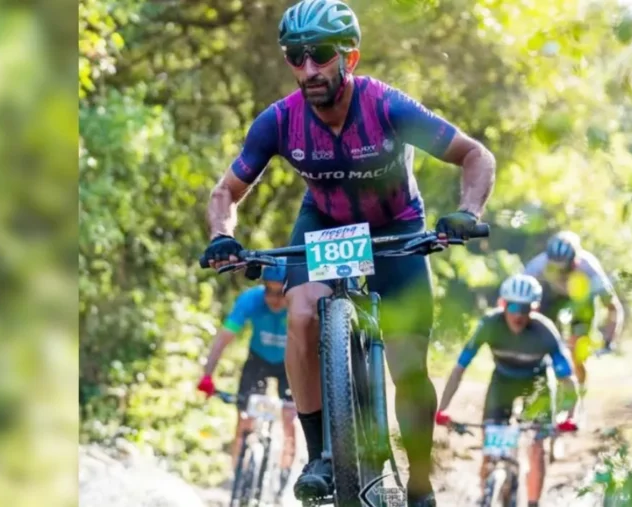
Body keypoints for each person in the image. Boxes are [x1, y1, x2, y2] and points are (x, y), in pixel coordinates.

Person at [199, 1, 496, 504]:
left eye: (320, 55)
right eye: (296, 56)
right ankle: (320, 457)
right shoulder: (279, 121)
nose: (308, 68)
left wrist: (467, 210)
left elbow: (475, 155)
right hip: (326, 226)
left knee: (406, 366)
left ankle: (421, 485)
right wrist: (221, 236)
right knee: (300, 312)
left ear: (349, 58)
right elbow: (225, 192)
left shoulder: (386, 106)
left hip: (395, 227)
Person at [434, 274, 579, 507]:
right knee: (490, 448)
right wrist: (442, 409)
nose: (518, 314)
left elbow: (567, 378)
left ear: (535, 307)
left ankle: (533, 503)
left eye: (525, 308)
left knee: (537, 447)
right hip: (502, 383)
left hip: (537, 385)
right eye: (512, 306)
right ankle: (485, 494)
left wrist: (570, 415)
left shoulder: (545, 331)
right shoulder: (489, 324)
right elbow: (460, 368)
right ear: (502, 305)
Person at [196, 262, 296, 495]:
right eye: (269, 291)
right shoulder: (250, 300)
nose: (274, 299)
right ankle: (237, 475)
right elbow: (223, 338)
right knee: (244, 418)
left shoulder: (296, 304)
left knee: (290, 419)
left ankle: (286, 478)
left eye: (280, 292)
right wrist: (207, 375)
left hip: (289, 365)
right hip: (258, 360)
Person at [523, 231, 624, 391]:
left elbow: (613, 307)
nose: (559, 273)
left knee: (576, 350)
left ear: (576, 262)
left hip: (581, 301)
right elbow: (517, 298)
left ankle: (578, 391)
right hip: (551, 298)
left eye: (564, 269)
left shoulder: (590, 269)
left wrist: (609, 339)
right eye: (553, 267)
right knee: (541, 343)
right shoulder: (537, 266)